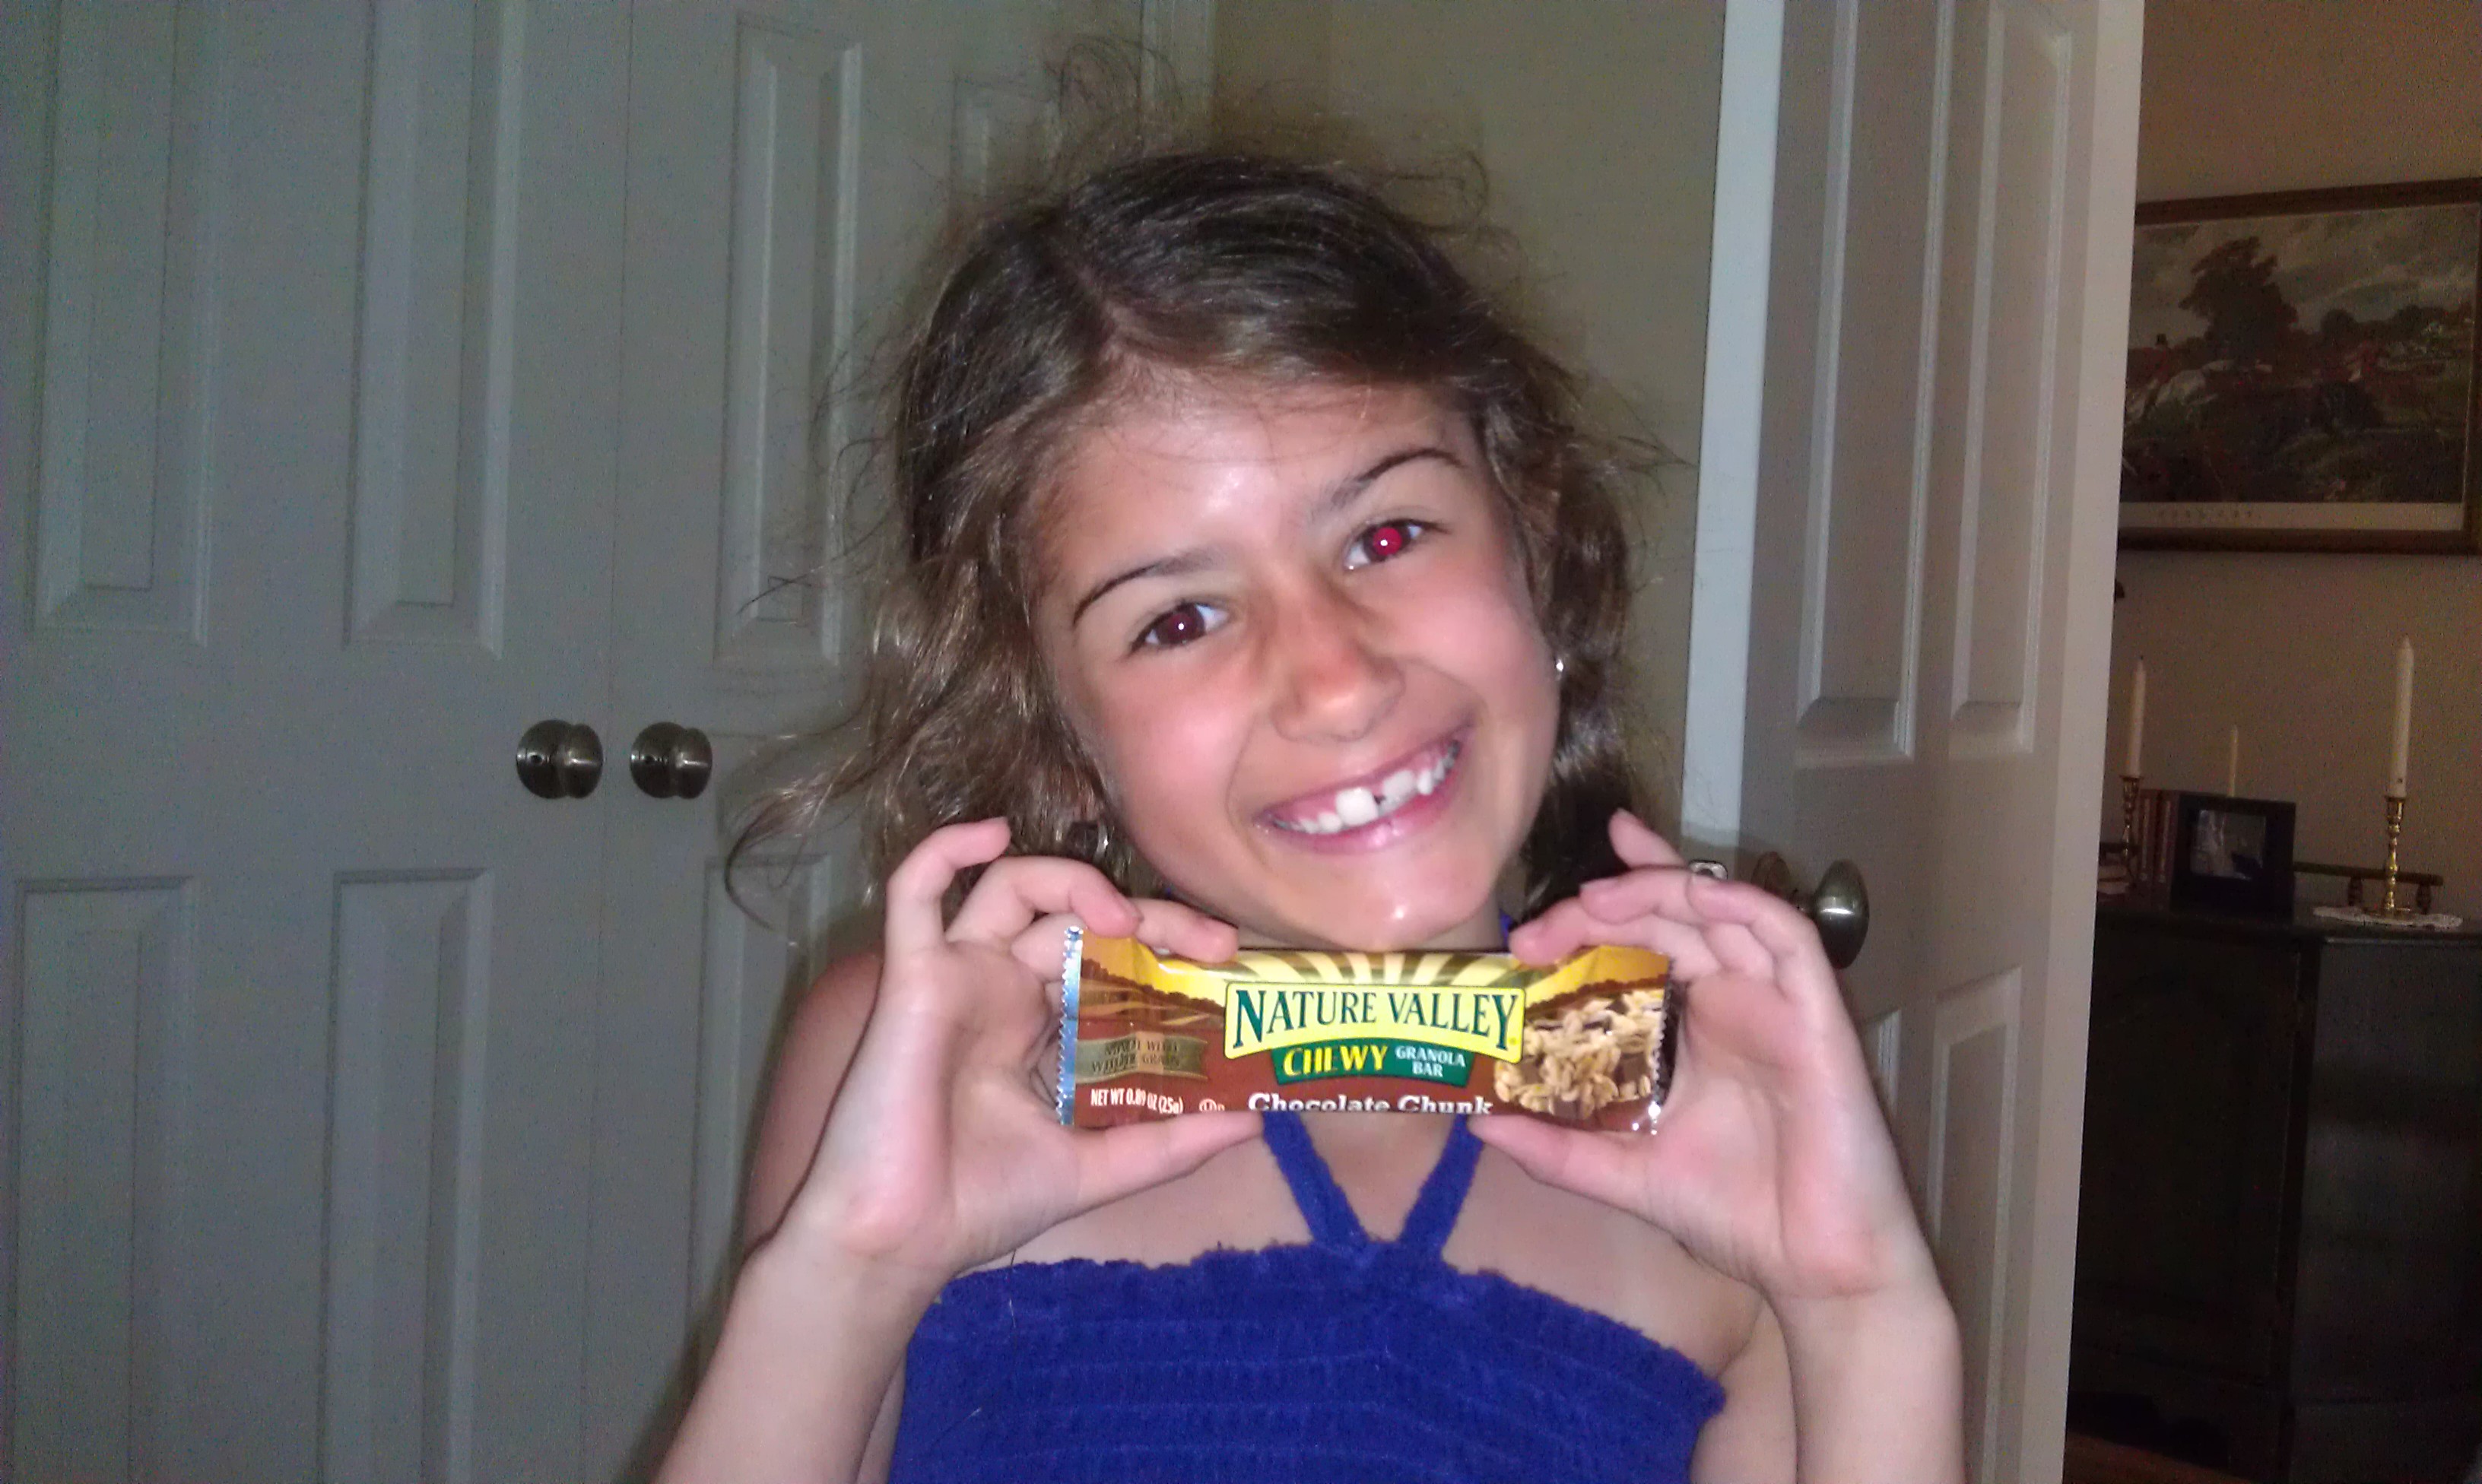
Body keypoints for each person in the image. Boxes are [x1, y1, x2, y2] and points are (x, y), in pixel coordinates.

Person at [657, 148, 1961, 1483]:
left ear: (1535, 542)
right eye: (1179, 619)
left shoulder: (1723, 1122)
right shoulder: (927, 1070)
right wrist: (850, 1271)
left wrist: (1865, 1313)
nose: (1336, 683)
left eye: (1386, 537)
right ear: (1056, 730)